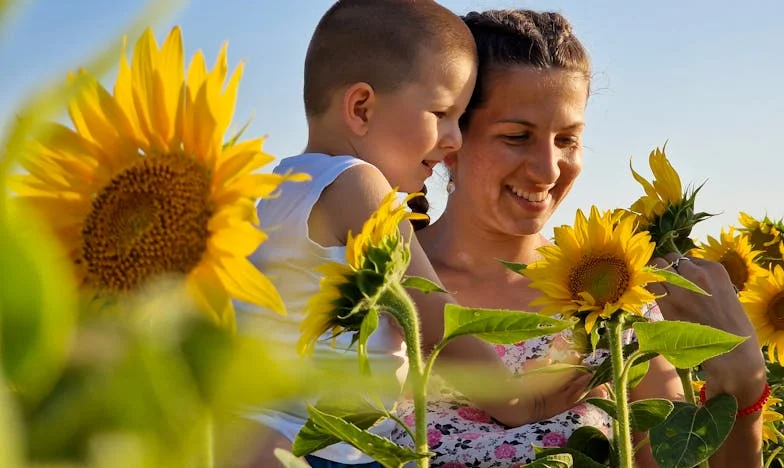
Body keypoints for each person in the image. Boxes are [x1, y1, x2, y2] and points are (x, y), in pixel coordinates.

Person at [393, 8, 766, 468]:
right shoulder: (377, 289)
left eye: (567, 140)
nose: (549, 169)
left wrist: (744, 389)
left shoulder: (617, 302)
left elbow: (671, 460)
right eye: (516, 136)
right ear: (451, 140)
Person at [231, 2, 591, 467]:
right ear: (361, 108)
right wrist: (521, 401)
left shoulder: (279, 184)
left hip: (257, 431)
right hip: (321, 448)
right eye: (441, 114)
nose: (453, 139)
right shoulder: (360, 186)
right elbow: (432, 320)